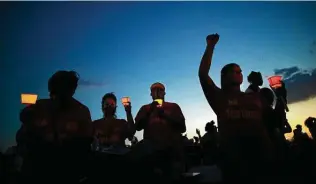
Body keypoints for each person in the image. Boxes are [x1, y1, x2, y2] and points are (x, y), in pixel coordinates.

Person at [198, 33, 273, 184]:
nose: (240, 74)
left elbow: (269, 123)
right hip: (234, 162)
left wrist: (280, 97)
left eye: (240, 71)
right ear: (224, 76)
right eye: (236, 71)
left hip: (262, 159)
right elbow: (203, 74)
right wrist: (210, 46)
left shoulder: (255, 97)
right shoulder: (219, 97)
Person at [17, 70, 93, 184]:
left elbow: (86, 143)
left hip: (67, 170)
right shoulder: (39, 106)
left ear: (71, 90)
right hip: (37, 168)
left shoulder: (81, 111)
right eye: (52, 91)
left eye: (60, 90)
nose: (53, 96)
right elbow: (21, 137)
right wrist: (29, 122)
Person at [133, 82, 186, 182]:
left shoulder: (174, 107)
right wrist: (149, 112)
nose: (157, 92)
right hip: (152, 154)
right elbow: (138, 127)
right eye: (154, 90)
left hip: (172, 151)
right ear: (151, 94)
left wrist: (165, 115)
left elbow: (183, 127)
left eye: (160, 90)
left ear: (164, 93)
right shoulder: (145, 108)